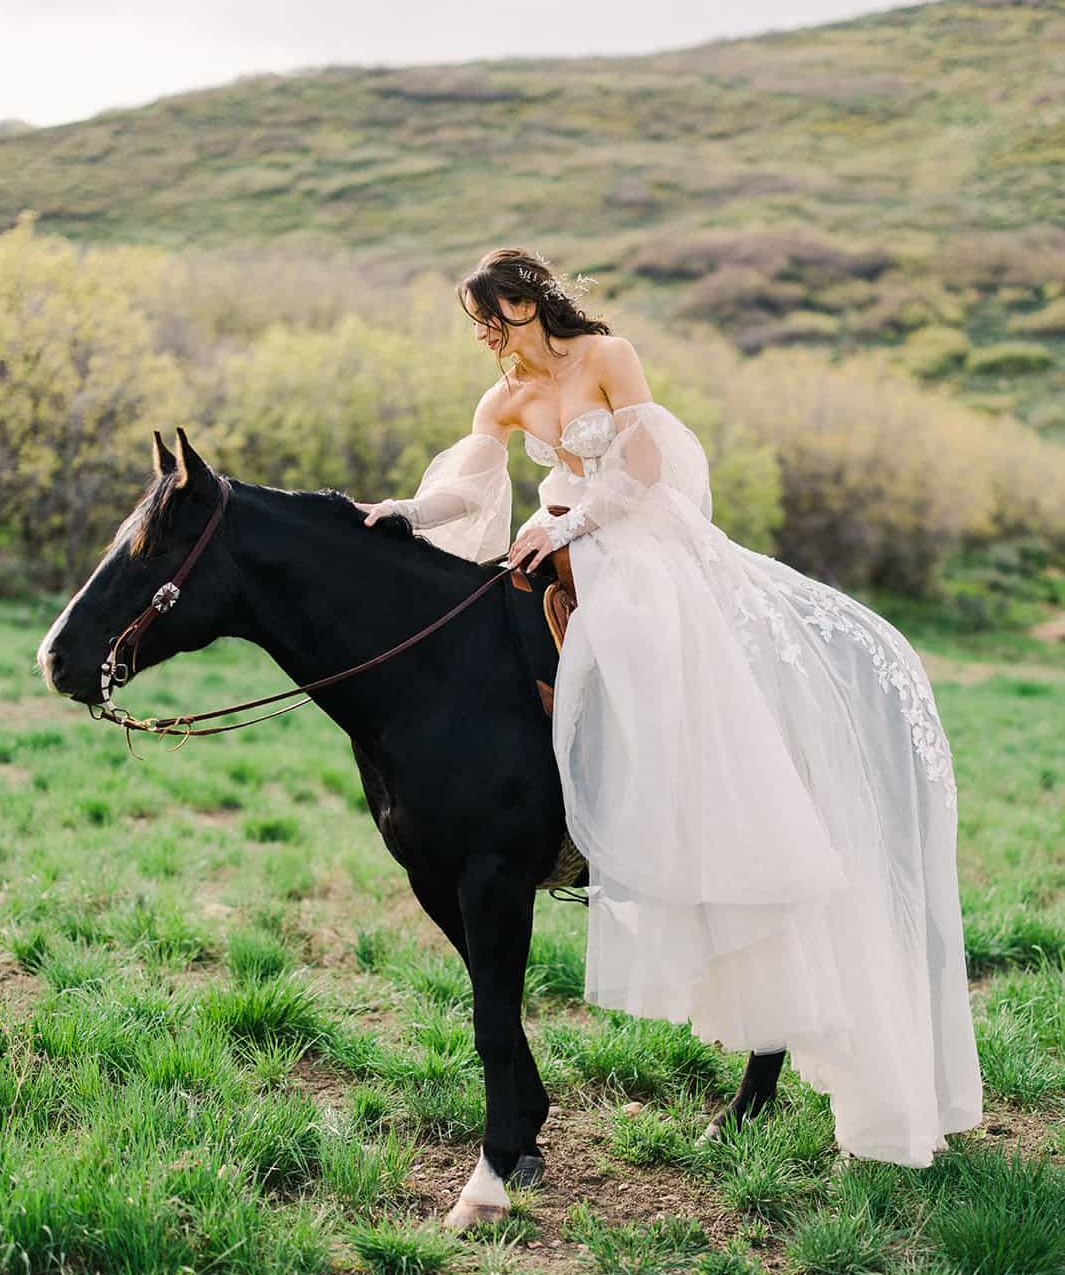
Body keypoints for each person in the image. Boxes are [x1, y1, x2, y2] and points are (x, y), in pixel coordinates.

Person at [354, 246, 983, 1168]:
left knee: (638, 639)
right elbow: (469, 487)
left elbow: (646, 464)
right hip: (554, 546)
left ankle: (668, 800)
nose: (490, 336)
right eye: (479, 323)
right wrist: (407, 510)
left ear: (535, 303)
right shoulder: (504, 396)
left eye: (500, 315)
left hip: (636, 538)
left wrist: (569, 519)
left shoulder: (606, 357)